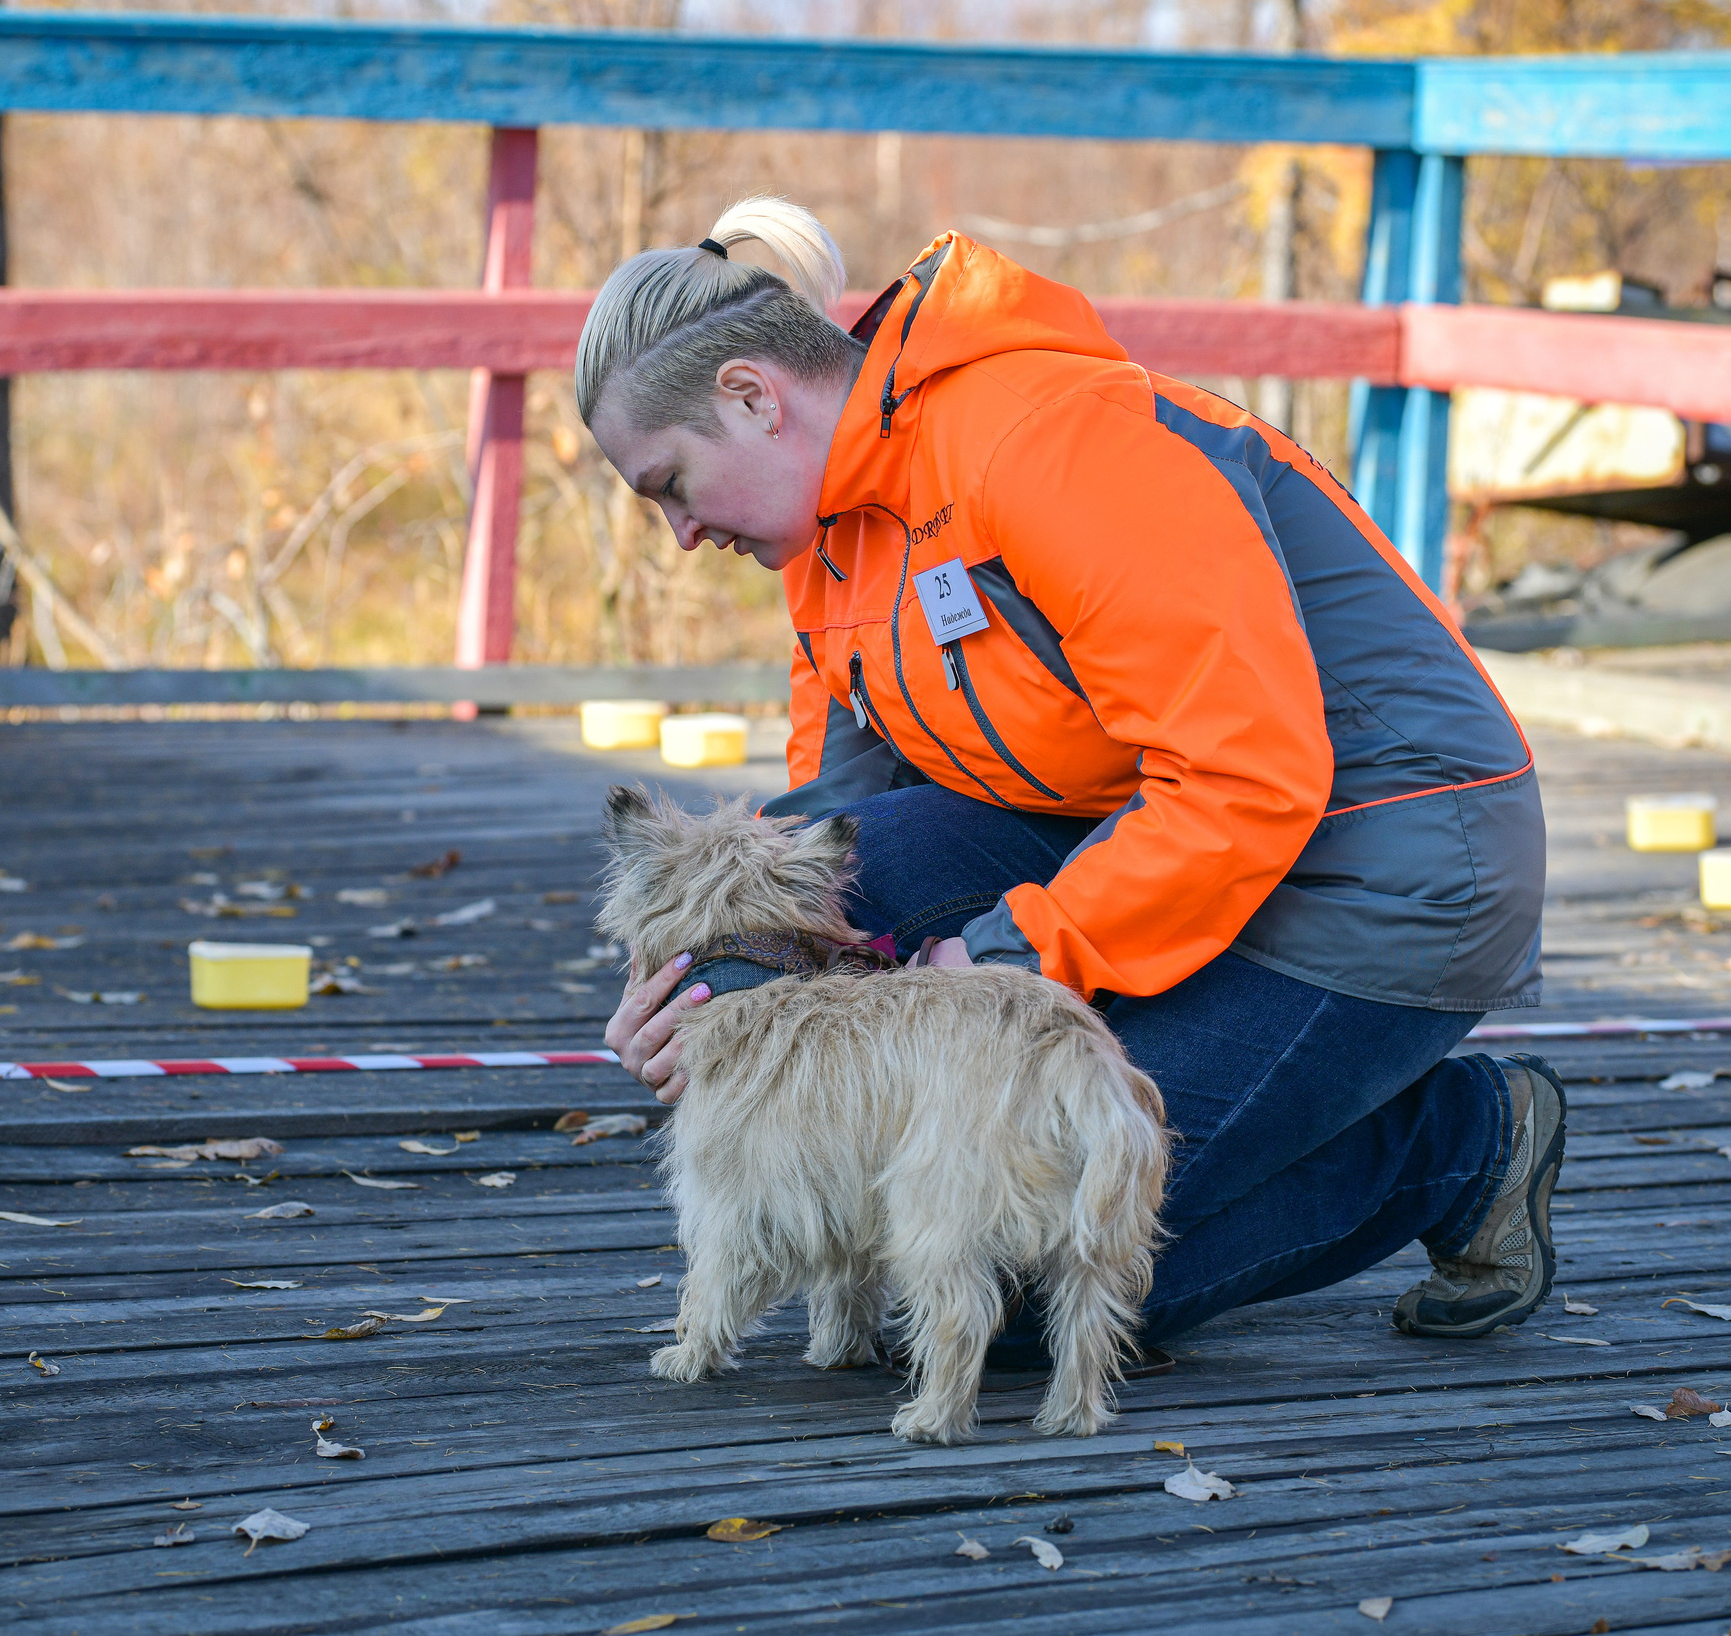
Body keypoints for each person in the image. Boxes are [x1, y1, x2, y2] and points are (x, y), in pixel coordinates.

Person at [590, 195, 1560, 1354]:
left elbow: (1246, 776)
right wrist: (702, 988)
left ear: (754, 397)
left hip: (1382, 865)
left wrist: (997, 964)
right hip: (1143, 829)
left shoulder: (1045, 438)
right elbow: (834, 839)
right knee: (861, 897)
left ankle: (1453, 1146)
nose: (680, 536)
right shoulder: (824, 539)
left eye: (666, 486)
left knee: (995, 1298)